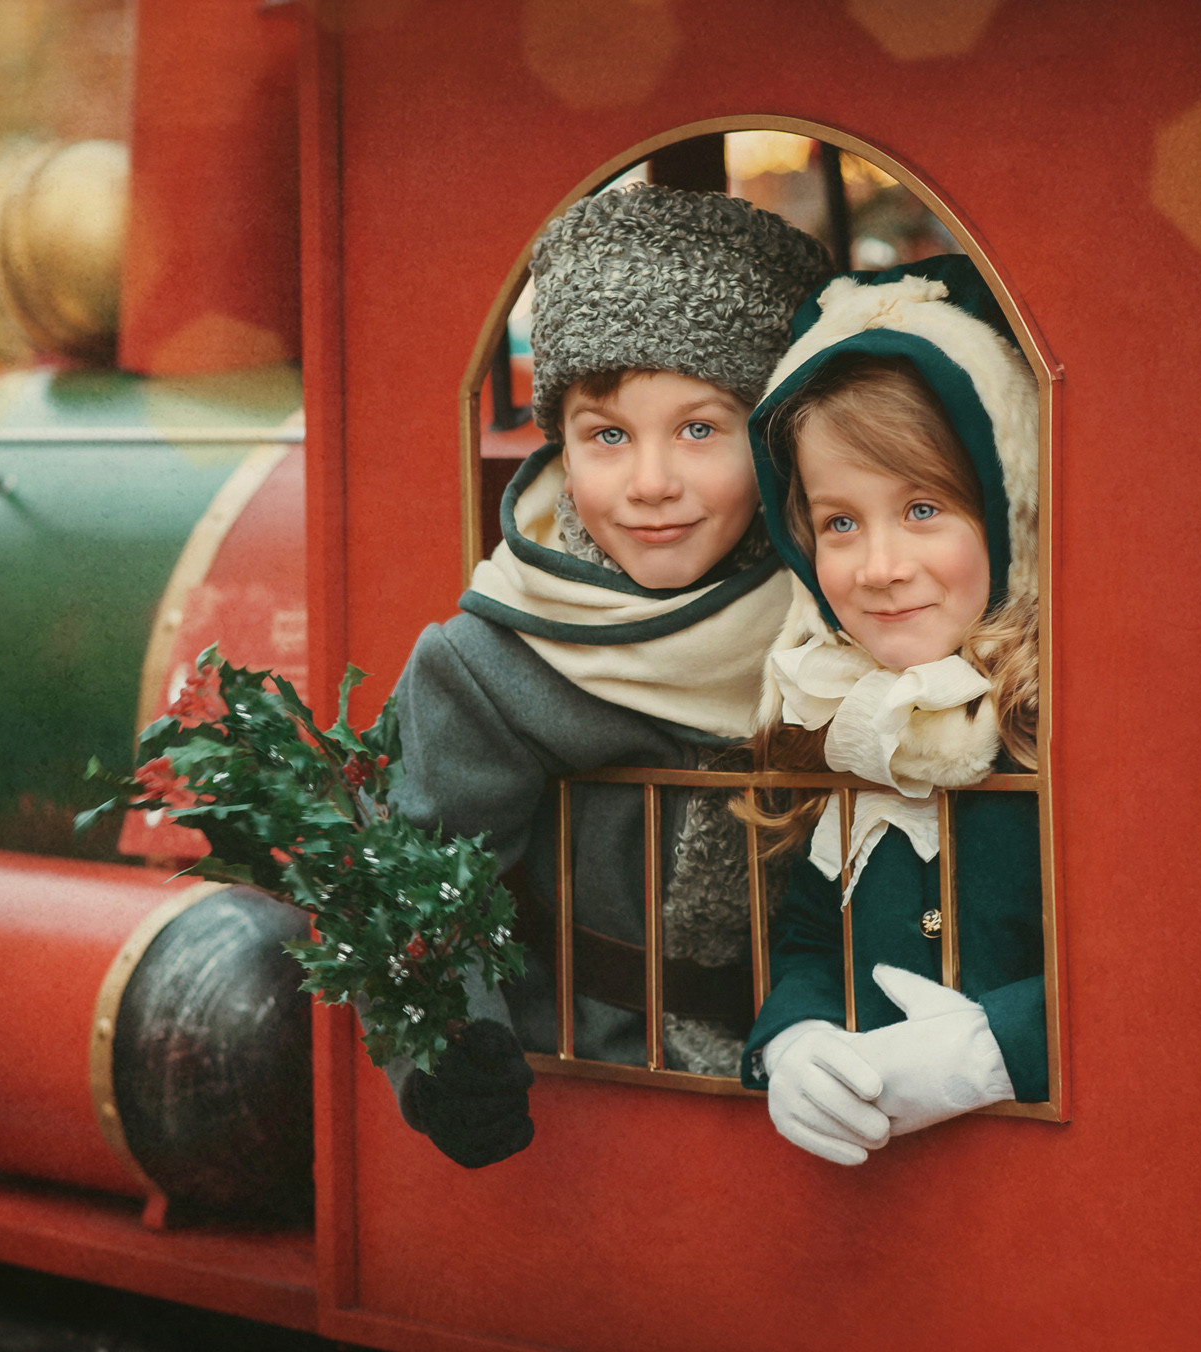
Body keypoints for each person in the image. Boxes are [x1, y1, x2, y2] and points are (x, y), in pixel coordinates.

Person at [385, 183, 833, 1167]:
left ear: (769, 435)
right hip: (596, 1103)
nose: (649, 482)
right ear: (562, 441)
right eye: (607, 434)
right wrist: (449, 1050)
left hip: (824, 1088)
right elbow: (422, 882)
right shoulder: (486, 661)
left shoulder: (840, 619)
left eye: (699, 428)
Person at [737, 256, 1047, 1165]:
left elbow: (1166, 968)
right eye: (839, 523)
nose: (877, 567)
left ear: (1005, 505)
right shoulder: (840, 713)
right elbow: (806, 936)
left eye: (922, 507)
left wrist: (994, 1051)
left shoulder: (1075, 720)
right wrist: (792, 1044)